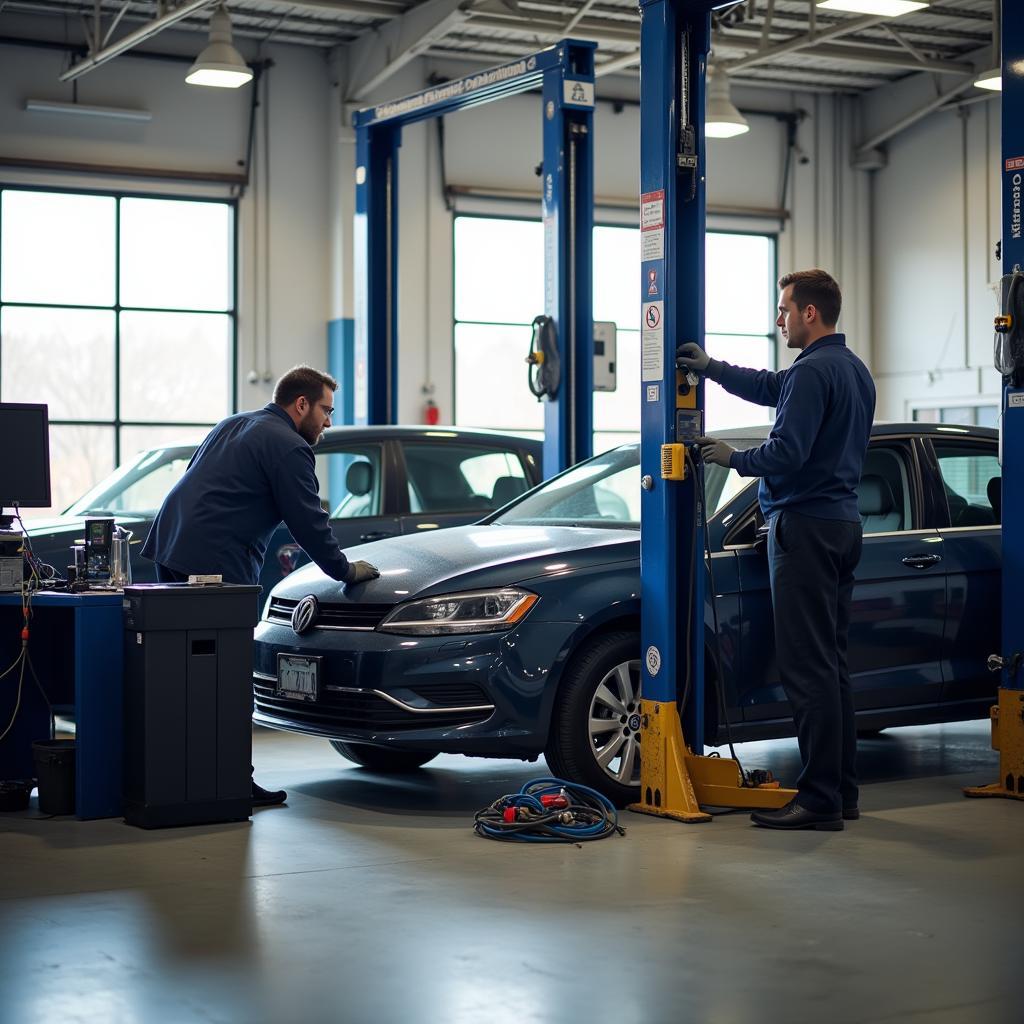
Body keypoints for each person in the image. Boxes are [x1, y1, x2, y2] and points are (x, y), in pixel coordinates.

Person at [677, 269, 875, 832]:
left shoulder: (814, 373)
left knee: (807, 669)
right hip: (841, 525)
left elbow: (787, 452)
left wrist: (731, 458)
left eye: (784, 309)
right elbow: (771, 387)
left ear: (809, 313)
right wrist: (711, 369)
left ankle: (817, 801)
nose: (779, 319)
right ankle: (842, 792)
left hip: (804, 529)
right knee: (832, 667)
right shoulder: (852, 370)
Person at [142, 365, 380, 807]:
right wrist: (345, 570)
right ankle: (229, 783)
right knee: (228, 679)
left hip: (171, 550)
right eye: (325, 410)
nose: (329, 421)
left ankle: (179, 780)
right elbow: (308, 521)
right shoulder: (290, 446)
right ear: (301, 404)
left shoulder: (235, 422)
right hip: (213, 567)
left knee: (180, 675)